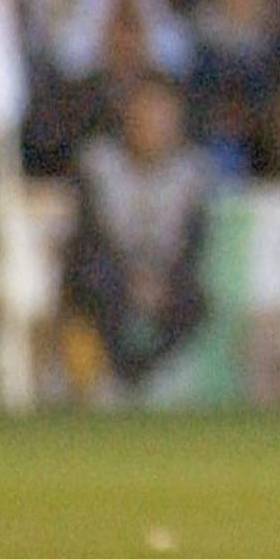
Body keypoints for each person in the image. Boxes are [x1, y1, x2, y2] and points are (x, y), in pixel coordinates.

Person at [61, 76, 213, 397]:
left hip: (165, 279)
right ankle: (111, 377)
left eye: (161, 120)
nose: (152, 128)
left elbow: (194, 246)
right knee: (94, 282)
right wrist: (130, 279)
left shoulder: (192, 173)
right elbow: (88, 240)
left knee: (195, 298)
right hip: (110, 275)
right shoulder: (98, 164)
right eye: (144, 117)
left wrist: (162, 281)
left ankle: (150, 376)